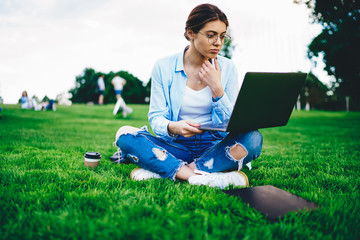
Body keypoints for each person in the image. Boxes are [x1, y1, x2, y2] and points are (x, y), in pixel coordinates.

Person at [112, 4, 263, 189]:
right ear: (191, 33)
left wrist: (217, 90)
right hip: (176, 146)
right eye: (210, 35)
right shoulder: (163, 67)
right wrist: (173, 127)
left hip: (214, 146)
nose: (218, 42)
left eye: (222, 36)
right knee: (124, 133)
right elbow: (156, 117)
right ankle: (204, 176)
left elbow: (233, 123)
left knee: (254, 138)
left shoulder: (228, 68)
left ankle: (170, 170)